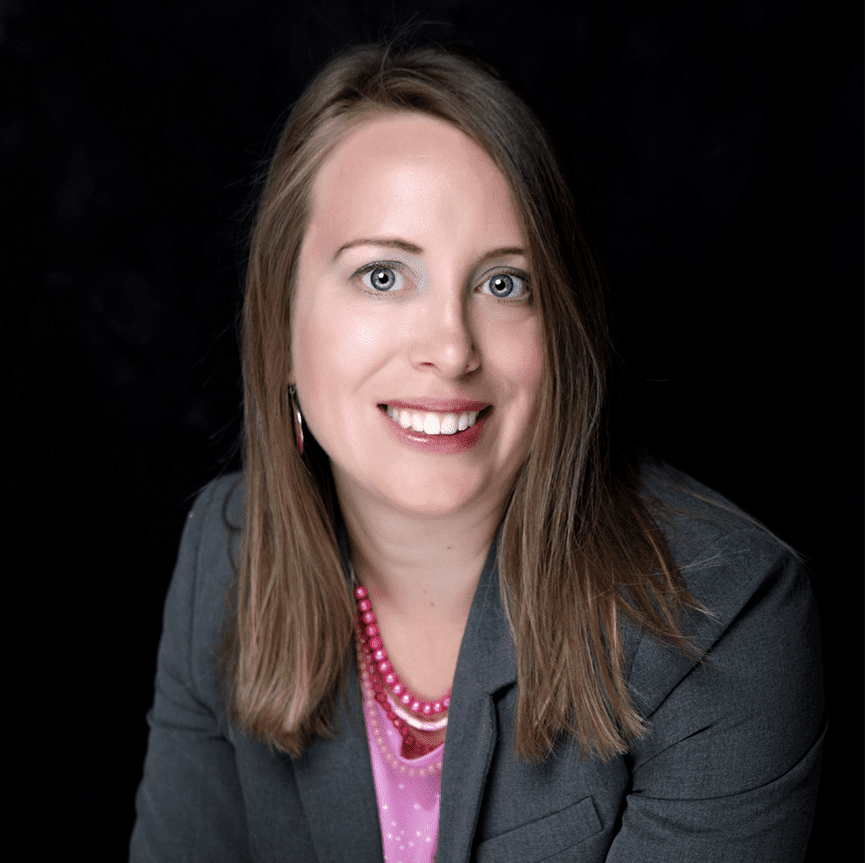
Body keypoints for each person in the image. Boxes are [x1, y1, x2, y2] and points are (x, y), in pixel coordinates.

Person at [130, 40, 825, 863]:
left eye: (504, 284)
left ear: (560, 333)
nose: (451, 349)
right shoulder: (227, 547)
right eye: (383, 276)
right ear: (280, 328)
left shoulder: (722, 618)